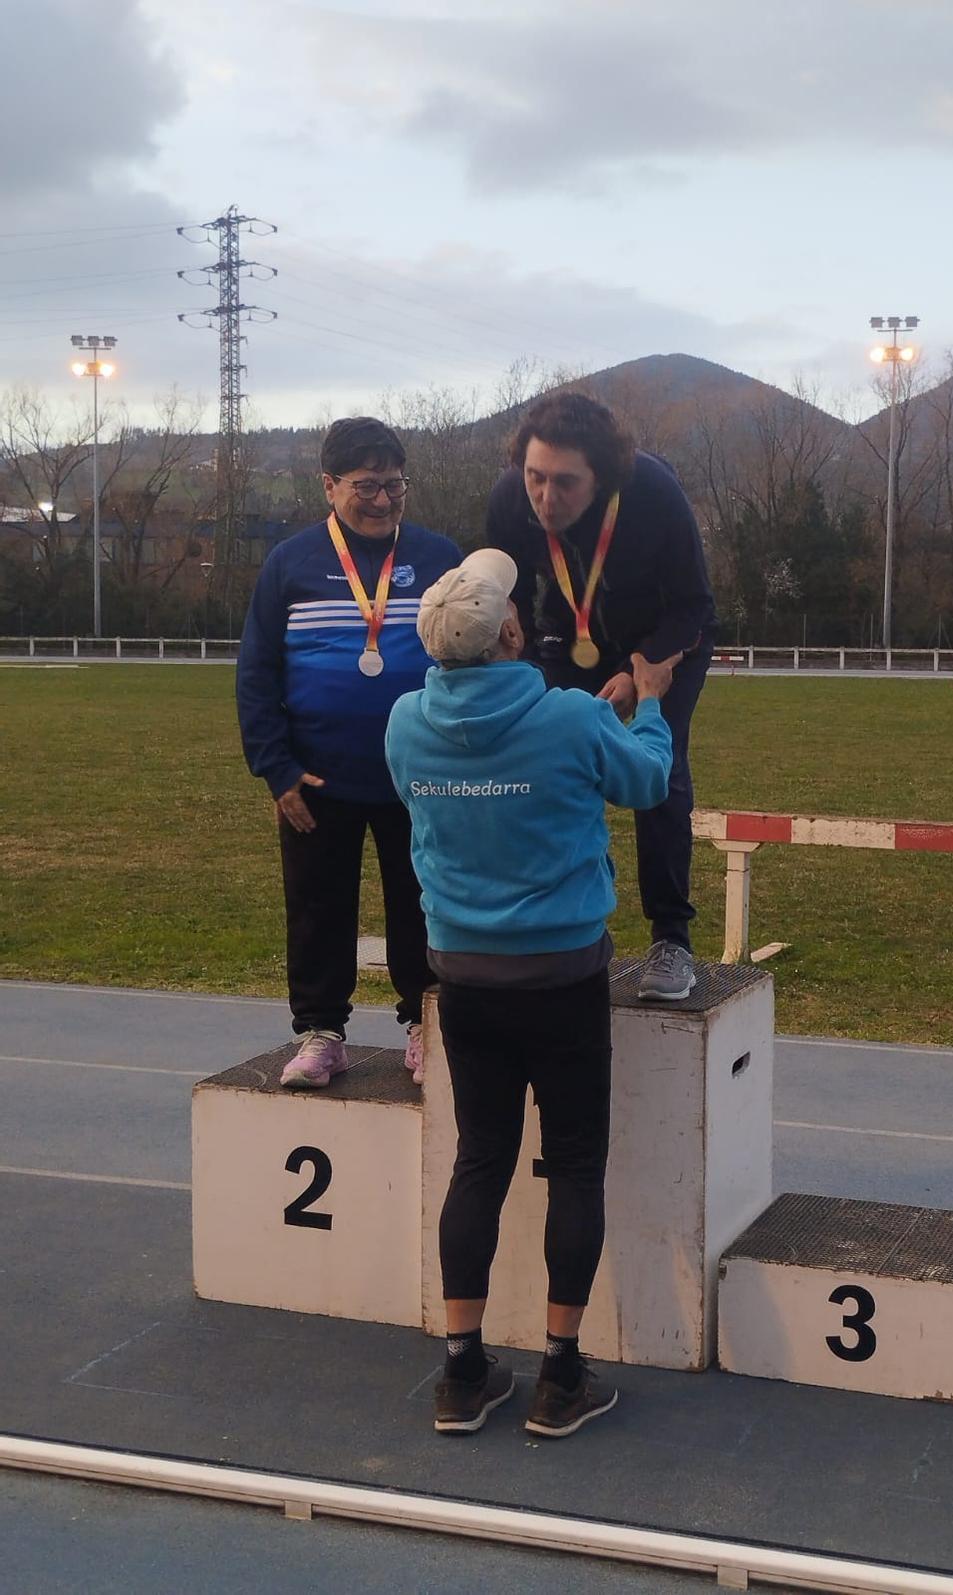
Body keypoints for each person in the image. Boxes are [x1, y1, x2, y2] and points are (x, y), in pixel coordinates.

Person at [384, 548, 676, 1438]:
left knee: (481, 1161)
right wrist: (652, 703)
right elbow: (646, 780)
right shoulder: (563, 721)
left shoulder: (404, 721)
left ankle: (463, 1371)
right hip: (562, 979)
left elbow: (484, 772)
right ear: (512, 631)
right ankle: (559, 1375)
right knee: (575, 1164)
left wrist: (581, 722)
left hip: (464, 978)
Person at [236, 416, 459, 1088]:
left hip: (417, 777)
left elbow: (470, 657)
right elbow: (257, 673)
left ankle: (424, 1024)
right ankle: (321, 1031)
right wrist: (276, 769)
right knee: (315, 905)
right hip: (316, 777)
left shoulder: (440, 556)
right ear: (329, 485)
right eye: (366, 486)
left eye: (395, 485)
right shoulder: (291, 563)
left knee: (423, 901)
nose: (384, 499)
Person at [485, 391, 715, 1001]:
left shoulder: (654, 496)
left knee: (656, 768)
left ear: (603, 478)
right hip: (570, 631)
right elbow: (504, 594)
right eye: (536, 477)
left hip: (664, 637)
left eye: (565, 483)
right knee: (546, 756)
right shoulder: (512, 496)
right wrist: (515, 660)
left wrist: (643, 671)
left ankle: (671, 940)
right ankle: (553, 923)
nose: (546, 498)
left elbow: (695, 604)